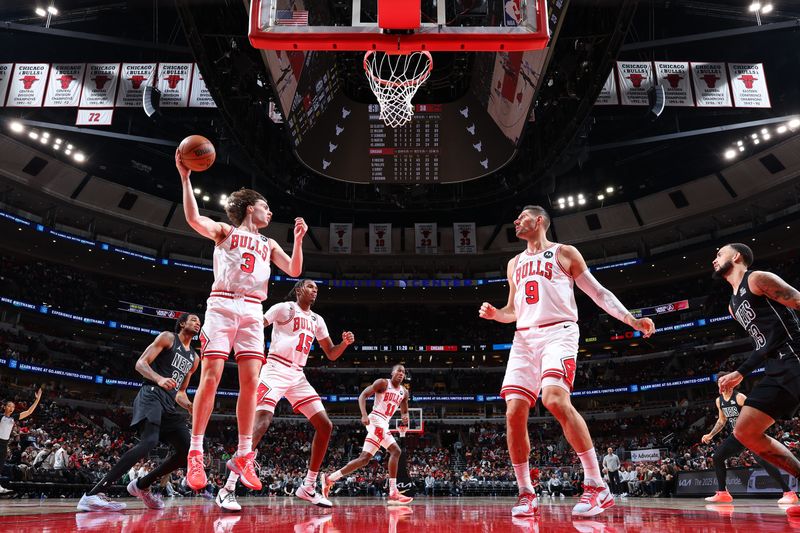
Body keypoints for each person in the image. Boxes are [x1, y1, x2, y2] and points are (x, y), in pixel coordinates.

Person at [478, 205, 654, 518]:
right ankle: (526, 492)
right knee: (514, 411)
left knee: (554, 399)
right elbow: (513, 310)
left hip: (559, 332)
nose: (516, 221)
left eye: (522, 217)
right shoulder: (514, 263)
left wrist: (630, 318)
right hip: (524, 338)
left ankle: (597, 484)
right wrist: (497, 315)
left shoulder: (565, 253)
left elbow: (598, 293)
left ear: (540, 220)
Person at [175, 152, 307, 491]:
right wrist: (186, 177)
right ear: (251, 208)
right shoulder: (224, 231)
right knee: (213, 374)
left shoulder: (269, 242)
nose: (270, 211)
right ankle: (195, 452)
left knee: (251, 383)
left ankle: (245, 454)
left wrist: (299, 240)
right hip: (221, 305)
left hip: (252, 310)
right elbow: (192, 219)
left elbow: (294, 270)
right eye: (265, 207)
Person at [217, 279, 355, 511]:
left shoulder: (317, 320)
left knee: (325, 426)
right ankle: (227, 489)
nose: (315, 291)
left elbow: (331, 354)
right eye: (311, 287)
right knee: (262, 422)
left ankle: (309, 486)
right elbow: (258, 324)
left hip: (297, 375)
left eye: (317, 289)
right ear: (299, 289)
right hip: (274, 369)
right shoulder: (284, 308)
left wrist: (343, 344)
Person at [77, 313, 201, 512]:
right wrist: (159, 378)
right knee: (149, 442)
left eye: (199, 322)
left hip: (168, 404)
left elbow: (180, 392)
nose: (197, 323)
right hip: (151, 394)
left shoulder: (194, 358)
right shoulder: (168, 338)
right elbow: (141, 364)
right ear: (182, 323)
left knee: (186, 451)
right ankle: (92, 495)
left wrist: (190, 406)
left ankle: (142, 485)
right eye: (194, 319)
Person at [713, 243, 800, 518]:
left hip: (796, 355)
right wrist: (743, 369)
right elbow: (763, 343)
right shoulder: (732, 304)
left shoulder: (757, 278)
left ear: (736, 257)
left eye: (719, 254)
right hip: (775, 367)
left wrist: (742, 371)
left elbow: (797, 301)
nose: (714, 259)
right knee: (745, 431)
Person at [322, 365, 414, 505]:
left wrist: (405, 416)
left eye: (403, 372)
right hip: (375, 420)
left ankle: (329, 478)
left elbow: (404, 410)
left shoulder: (404, 392)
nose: (401, 373)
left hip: (384, 423)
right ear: (392, 373)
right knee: (396, 450)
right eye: (398, 370)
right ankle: (393, 491)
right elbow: (362, 396)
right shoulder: (383, 383)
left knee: (364, 459)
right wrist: (364, 415)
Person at [702, 371, 796, 504]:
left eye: (726, 381)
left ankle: (788, 493)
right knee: (717, 457)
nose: (723, 384)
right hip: (738, 435)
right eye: (720, 382)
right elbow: (722, 421)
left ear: (732, 383)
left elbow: (755, 413)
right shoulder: (719, 401)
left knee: (762, 460)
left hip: (751, 433)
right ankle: (722, 493)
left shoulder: (739, 397)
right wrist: (710, 435)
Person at [0, 387, 42, 493]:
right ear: (4, 407)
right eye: (9, 405)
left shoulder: (13, 418)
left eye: (13, 406)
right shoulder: (0, 416)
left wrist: (37, 399)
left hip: (4, 444)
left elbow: (29, 411)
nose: (11, 408)